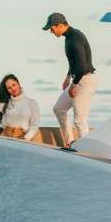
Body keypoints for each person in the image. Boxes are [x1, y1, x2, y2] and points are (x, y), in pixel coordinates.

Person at [44, 11, 97, 147]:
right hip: (77, 79)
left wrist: (74, 85)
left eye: (52, 28)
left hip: (84, 80)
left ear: (60, 25)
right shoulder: (69, 37)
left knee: (80, 121)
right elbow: (74, 62)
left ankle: (86, 151)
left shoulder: (75, 39)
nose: (51, 31)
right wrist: (67, 78)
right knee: (59, 109)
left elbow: (82, 66)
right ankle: (70, 143)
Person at [0, 73, 40, 141]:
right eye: (9, 88)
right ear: (7, 90)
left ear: (18, 84)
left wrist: (25, 138)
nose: (12, 89)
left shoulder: (31, 103)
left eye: (14, 85)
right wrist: (0, 87)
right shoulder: (6, 104)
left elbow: (34, 125)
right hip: (5, 137)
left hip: (22, 137)